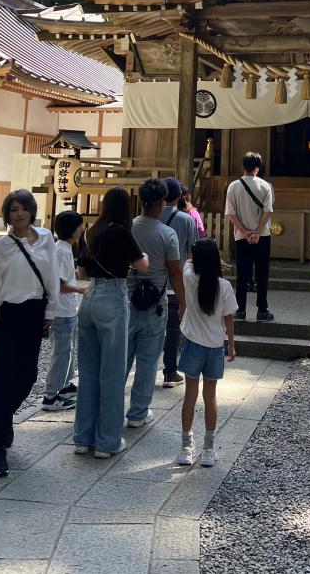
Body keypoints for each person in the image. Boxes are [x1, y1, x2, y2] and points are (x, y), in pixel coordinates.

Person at [0, 189, 59, 478]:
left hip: (34, 314)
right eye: (13, 209)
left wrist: (51, 310)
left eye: (24, 208)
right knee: (2, 381)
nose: (19, 214)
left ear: (32, 210)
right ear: (7, 214)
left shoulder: (47, 238)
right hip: (6, 316)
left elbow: (51, 274)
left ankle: (1, 422)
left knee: (27, 377)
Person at [73, 187, 148, 459]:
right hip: (113, 297)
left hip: (90, 297)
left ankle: (83, 437)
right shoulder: (121, 232)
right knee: (113, 372)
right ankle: (107, 440)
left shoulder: (92, 231)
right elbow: (142, 266)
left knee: (88, 371)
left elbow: (81, 271)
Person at [126, 178, 185, 428]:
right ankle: (138, 412)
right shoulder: (167, 234)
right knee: (148, 360)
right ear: (161, 204)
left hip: (127, 300)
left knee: (122, 358)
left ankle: (110, 408)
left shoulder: (128, 228)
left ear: (140, 200)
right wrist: (183, 301)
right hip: (156, 302)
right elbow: (174, 272)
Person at [177, 238, 237, 468]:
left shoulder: (190, 277)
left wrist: (207, 261)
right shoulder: (224, 286)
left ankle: (185, 448)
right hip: (214, 346)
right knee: (210, 397)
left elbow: (188, 261)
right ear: (215, 260)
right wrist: (231, 344)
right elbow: (229, 318)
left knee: (190, 395)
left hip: (192, 342)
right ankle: (209, 449)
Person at [42, 211, 85, 411]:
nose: (82, 229)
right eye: (80, 226)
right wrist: (80, 289)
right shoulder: (62, 251)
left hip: (67, 309)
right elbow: (58, 283)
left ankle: (65, 385)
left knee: (67, 351)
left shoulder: (64, 248)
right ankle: (50, 395)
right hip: (61, 309)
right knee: (62, 352)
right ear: (73, 229)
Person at [225, 152, 275, 322]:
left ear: (243, 166)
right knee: (262, 273)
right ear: (257, 167)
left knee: (242, 273)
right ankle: (262, 309)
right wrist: (257, 232)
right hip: (263, 236)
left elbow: (230, 213)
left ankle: (240, 309)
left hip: (241, 236)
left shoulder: (233, 186)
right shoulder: (265, 186)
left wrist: (245, 231)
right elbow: (268, 211)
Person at [160, 177, 198, 389]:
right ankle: (170, 371)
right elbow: (191, 252)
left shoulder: (147, 218)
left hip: (152, 282)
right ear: (180, 196)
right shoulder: (186, 220)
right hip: (177, 282)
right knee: (174, 327)